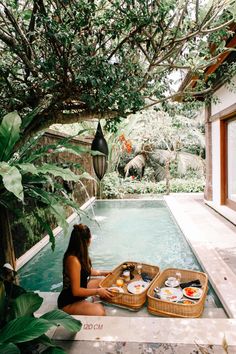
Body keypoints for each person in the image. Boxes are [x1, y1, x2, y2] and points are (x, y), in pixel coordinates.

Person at [57, 223, 114, 316]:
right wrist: (97, 291)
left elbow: (86, 271)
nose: (91, 240)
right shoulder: (73, 260)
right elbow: (76, 291)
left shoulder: (79, 254)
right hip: (69, 302)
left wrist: (104, 273)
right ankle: (87, 304)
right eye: (90, 237)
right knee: (100, 311)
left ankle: (88, 302)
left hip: (81, 294)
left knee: (104, 282)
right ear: (85, 241)